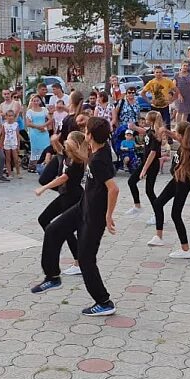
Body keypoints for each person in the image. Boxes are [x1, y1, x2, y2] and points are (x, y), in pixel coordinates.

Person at [31, 117, 119, 317]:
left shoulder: (99, 160)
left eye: (85, 129)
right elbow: (81, 156)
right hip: (82, 206)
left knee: (86, 258)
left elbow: (113, 189)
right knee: (53, 230)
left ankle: (104, 302)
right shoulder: (95, 150)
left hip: (94, 216)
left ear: (90, 135)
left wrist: (108, 215)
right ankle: (52, 276)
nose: (84, 131)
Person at [147, 121, 190, 257]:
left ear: (183, 135)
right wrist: (166, 131)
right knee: (158, 203)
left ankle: (185, 250)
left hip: (183, 184)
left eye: (177, 132)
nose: (175, 134)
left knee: (175, 215)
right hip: (176, 180)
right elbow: (176, 136)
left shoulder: (187, 148)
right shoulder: (184, 142)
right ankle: (159, 237)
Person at [34, 131, 88, 277]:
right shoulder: (68, 154)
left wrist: (43, 188)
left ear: (75, 143)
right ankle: (57, 239)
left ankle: (78, 263)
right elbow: (58, 150)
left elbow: (63, 178)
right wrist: (54, 141)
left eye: (68, 139)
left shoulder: (78, 160)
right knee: (43, 219)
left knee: (67, 230)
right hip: (65, 195)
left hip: (73, 196)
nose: (66, 141)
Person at [125, 111, 163, 220]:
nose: (145, 120)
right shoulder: (150, 131)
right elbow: (144, 131)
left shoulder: (155, 134)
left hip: (151, 164)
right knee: (131, 182)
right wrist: (135, 128)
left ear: (151, 120)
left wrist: (144, 170)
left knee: (149, 190)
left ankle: (158, 215)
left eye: (146, 118)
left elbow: (153, 153)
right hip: (146, 162)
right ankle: (137, 206)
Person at [26, 96, 51, 174]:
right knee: (36, 150)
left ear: (40, 101)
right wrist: (38, 127)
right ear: (32, 102)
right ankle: (36, 167)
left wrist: (43, 125)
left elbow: (50, 119)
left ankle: (46, 166)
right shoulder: (29, 111)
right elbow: (28, 123)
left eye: (37, 100)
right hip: (34, 132)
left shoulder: (44, 109)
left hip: (44, 131)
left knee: (46, 148)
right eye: (34, 101)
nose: (36, 102)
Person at [3, 110, 22, 179]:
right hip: (7, 143)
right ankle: (10, 173)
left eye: (11, 116)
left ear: (14, 117)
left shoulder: (16, 124)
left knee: (16, 159)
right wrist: (2, 144)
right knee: (8, 159)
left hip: (14, 143)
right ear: (6, 117)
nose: (10, 117)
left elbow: (17, 135)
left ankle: (18, 172)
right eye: (8, 116)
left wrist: (18, 145)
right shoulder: (4, 125)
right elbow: (3, 135)